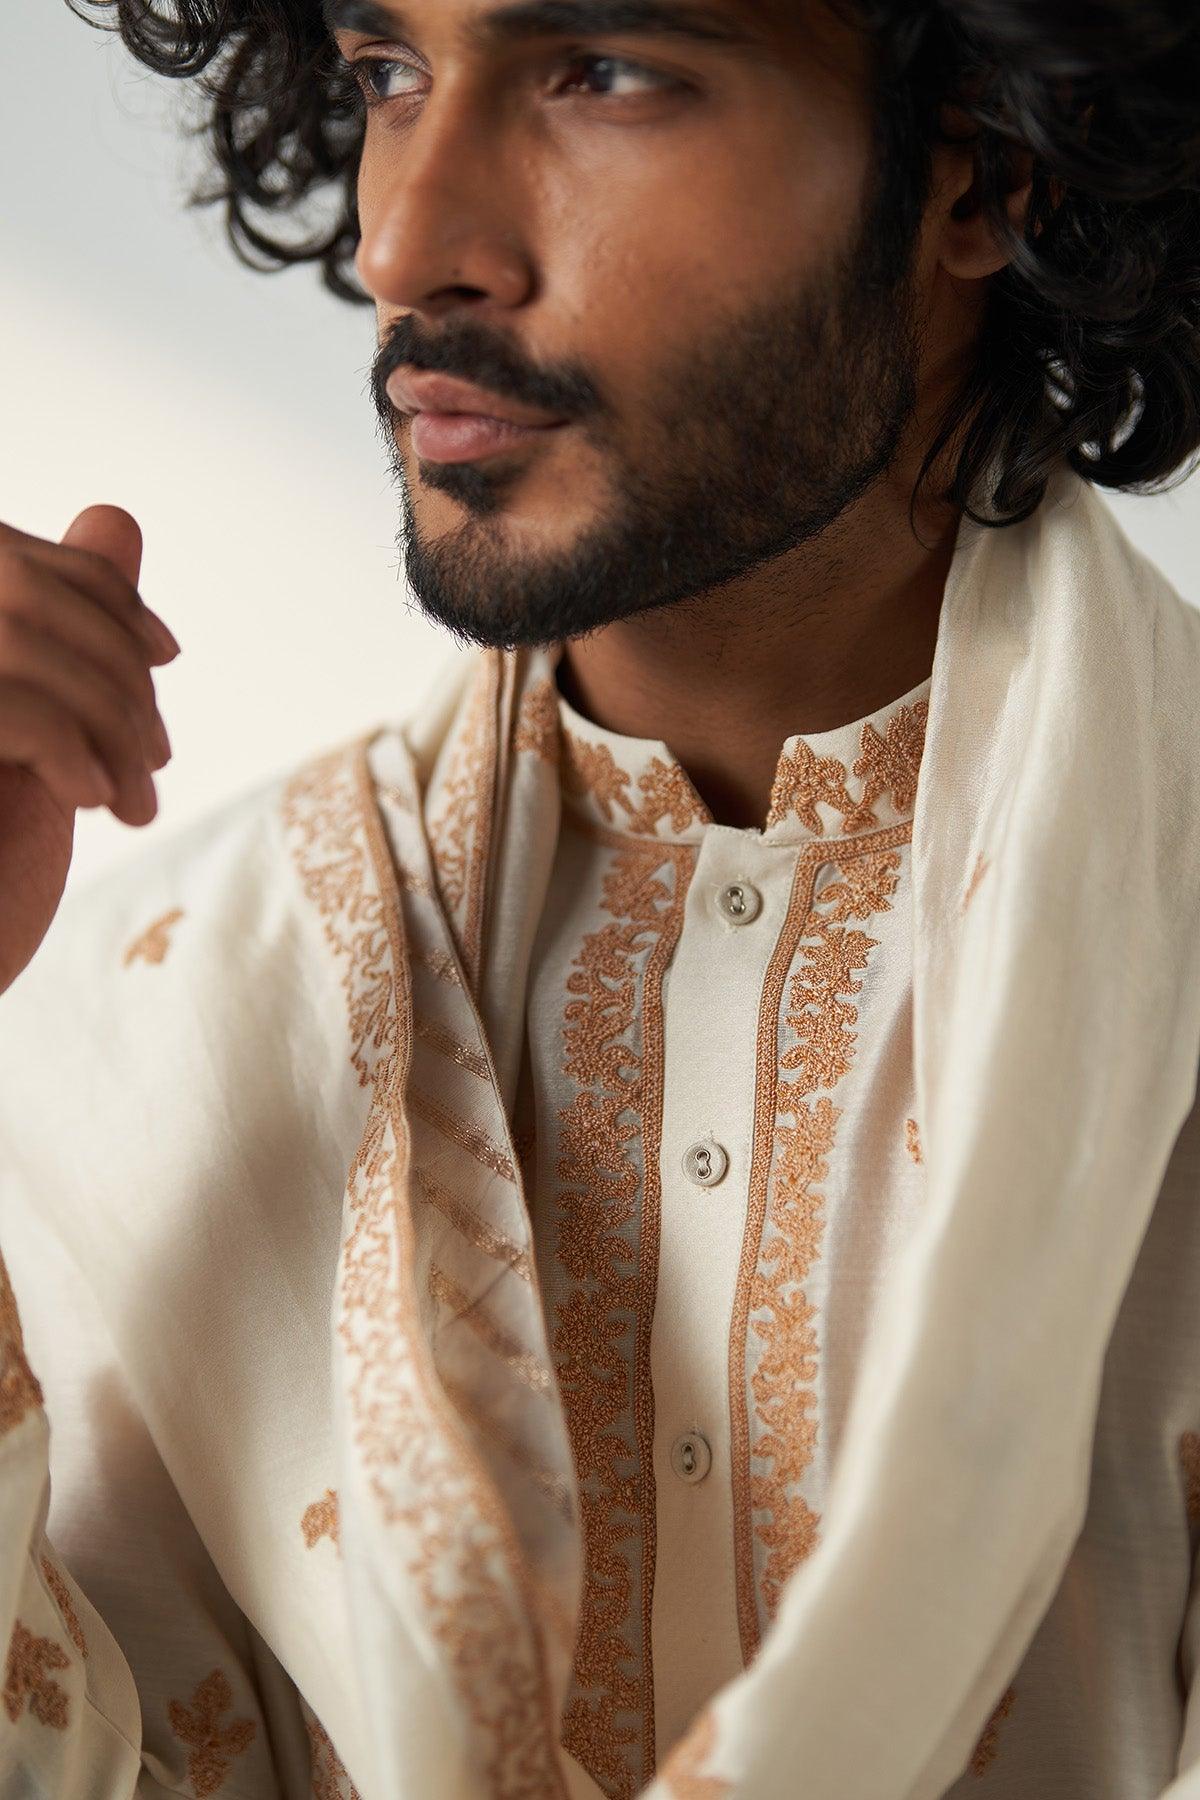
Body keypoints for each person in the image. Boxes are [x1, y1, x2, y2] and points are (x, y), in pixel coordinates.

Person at [3, 0, 1200, 1794]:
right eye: (387, 76)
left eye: (604, 72)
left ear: (985, 165)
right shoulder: (156, 1016)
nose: (406, 245)